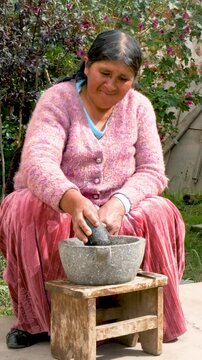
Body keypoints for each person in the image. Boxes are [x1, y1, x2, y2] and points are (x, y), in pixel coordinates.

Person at [0, 29, 186, 349]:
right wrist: (72, 201)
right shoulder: (58, 100)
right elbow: (38, 162)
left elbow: (152, 170)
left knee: (160, 210)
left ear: (134, 80)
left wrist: (119, 202)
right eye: (105, 73)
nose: (112, 85)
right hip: (62, 205)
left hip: (117, 213)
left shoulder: (139, 107)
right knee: (23, 206)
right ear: (87, 65)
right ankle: (38, 321)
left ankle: (145, 316)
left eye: (123, 78)